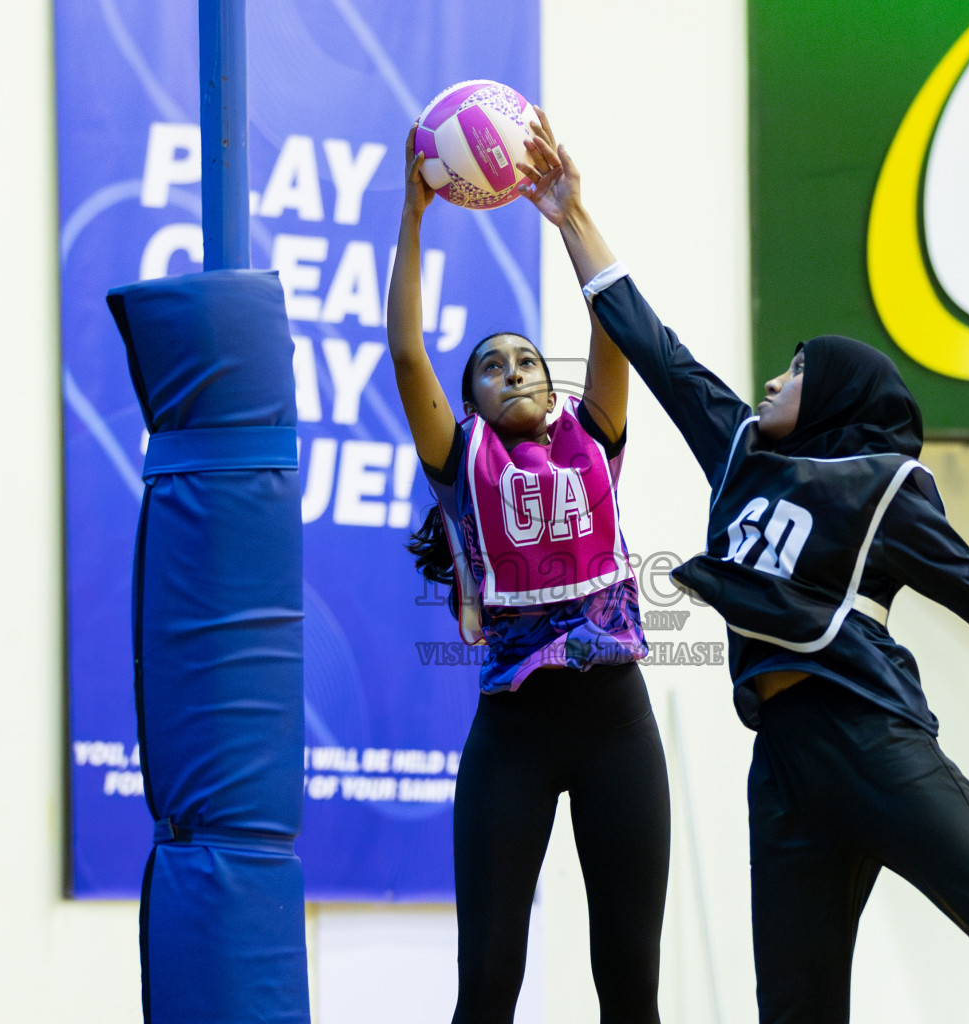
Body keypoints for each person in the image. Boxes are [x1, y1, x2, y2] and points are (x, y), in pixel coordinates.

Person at [512, 112, 969, 1023]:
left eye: (797, 369)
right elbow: (654, 347)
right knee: (796, 1009)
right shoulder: (738, 448)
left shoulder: (885, 487)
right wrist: (572, 215)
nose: (773, 380)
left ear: (839, 398)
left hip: (875, 739)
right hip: (781, 764)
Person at [388, 119, 668, 1024]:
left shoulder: (595, 435)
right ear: (467, 402)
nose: (512, 372)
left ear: (553, 384)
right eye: (490, 369)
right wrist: (413, 215)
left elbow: (612, 323)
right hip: (512, 737)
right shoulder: (461, 460)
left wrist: (570, 213)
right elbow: (405, 354)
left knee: (629, 980)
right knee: (490, 985)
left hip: (618, 724)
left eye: (526, 361)